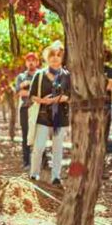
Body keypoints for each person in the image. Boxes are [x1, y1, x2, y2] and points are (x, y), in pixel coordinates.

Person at [28, 41, 71, 185]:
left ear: (62, 58)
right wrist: (42, 101)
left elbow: (69, 96)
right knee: (39, 146)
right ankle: (34, 174)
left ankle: (56, 177)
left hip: (60, 117)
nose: (55, 58)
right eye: (52, 55)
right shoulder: (39, 75)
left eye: (58, 55)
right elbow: (32, 95)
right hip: (43, 116)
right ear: (47, 57)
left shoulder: (66, 75)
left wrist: (57, 99)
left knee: (57, 148)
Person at [14, 52, 40, 170]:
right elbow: (20, 92)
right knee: (26, 135)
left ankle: (41, 161)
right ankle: (26, 162)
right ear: (26, 63)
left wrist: (28, 88)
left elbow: (44, 92)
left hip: (40, 109)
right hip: (25, 108)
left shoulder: (41, 75)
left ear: (37, 62)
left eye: (33, 60)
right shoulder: (21, 77)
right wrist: (34, 92)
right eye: (28, 60)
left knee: (39, 134)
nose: (31, 62)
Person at [103, 48, 112, 141]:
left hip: (105, 103)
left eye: (105, 53)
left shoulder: (111, 71)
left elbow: (109, 85)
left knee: (104, 130)